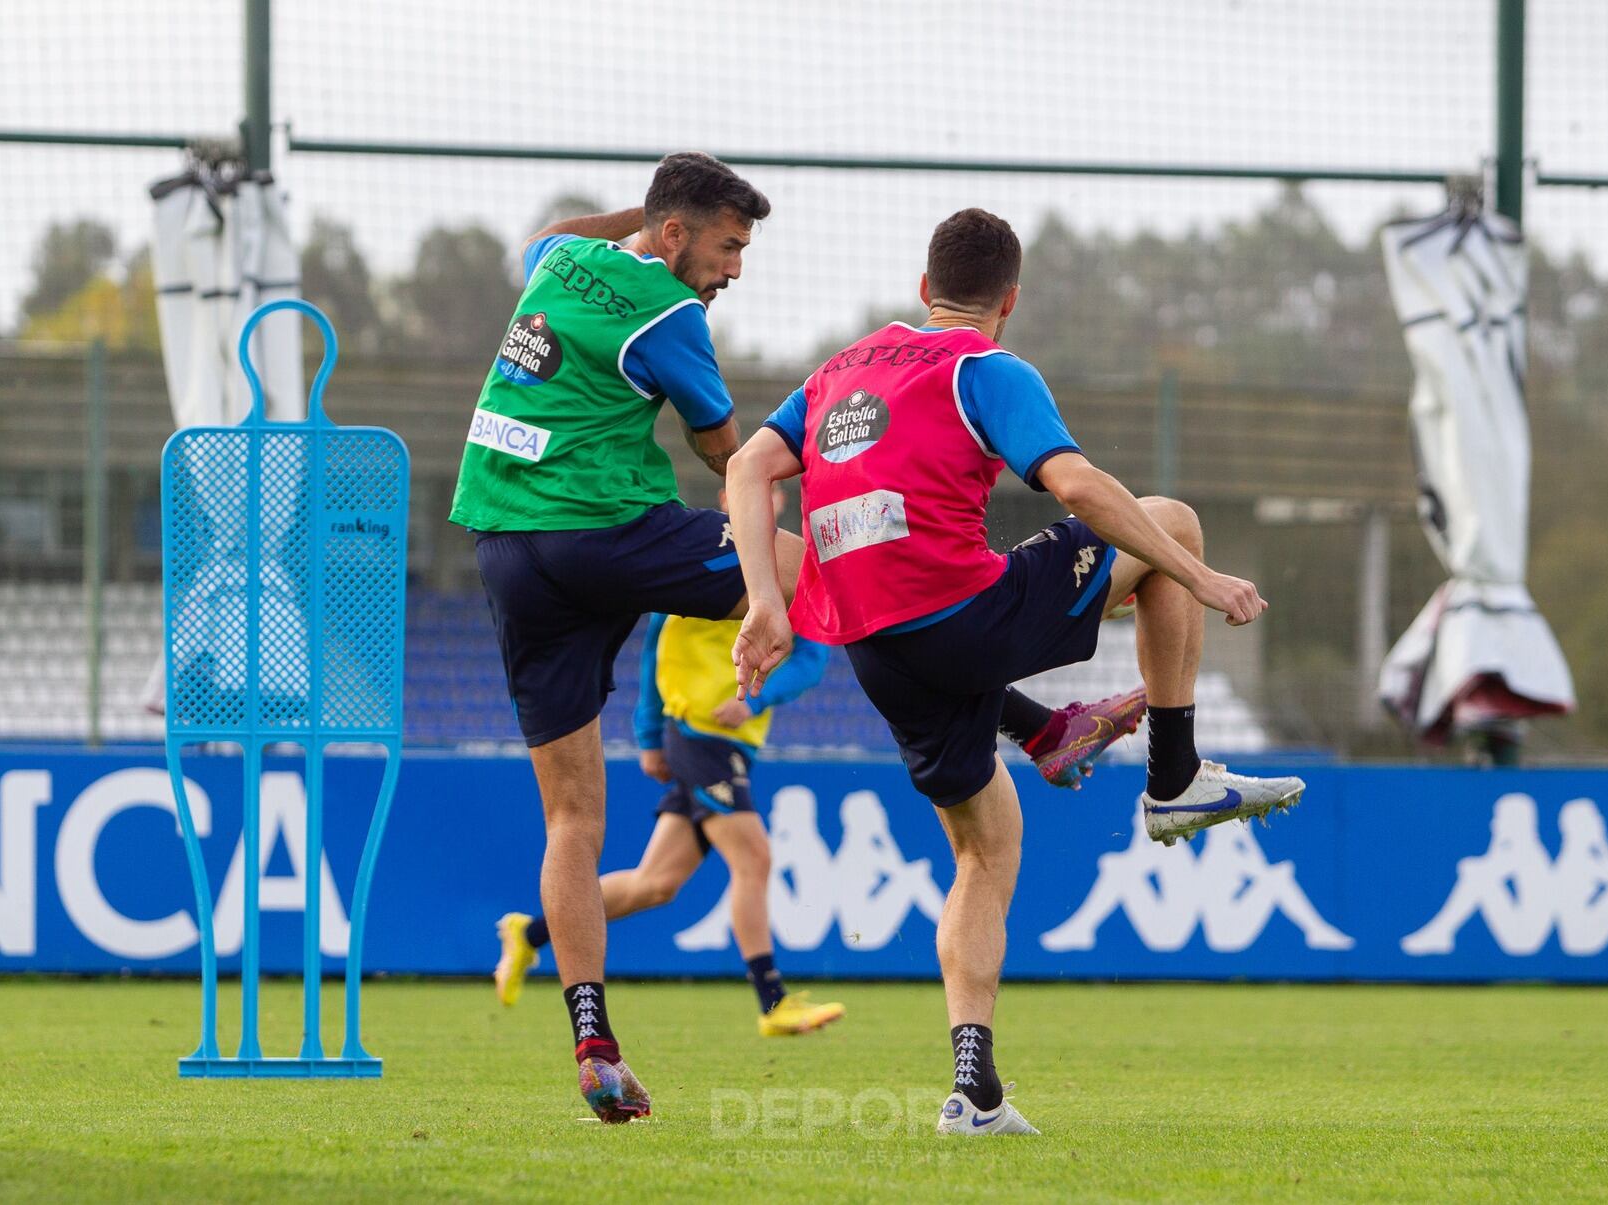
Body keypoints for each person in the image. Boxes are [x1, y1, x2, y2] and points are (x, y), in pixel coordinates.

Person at [453, 162, 1130, 1123]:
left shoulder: (556, 264)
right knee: (834, 566)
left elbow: (564, 227)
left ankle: (593, 1037)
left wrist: (641, 223)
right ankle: (1036, 724)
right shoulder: (672, 319)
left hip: (503, 545)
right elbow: (728, 453)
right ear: (679, 234)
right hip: (608, 530)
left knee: (571, 817)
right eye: (728, 245)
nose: (734, 270)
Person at [725, 207, 1308, 1135]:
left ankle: (976, 1089)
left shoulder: (839, 371)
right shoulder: (987, 367)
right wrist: (1201, 580)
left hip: (876, 648)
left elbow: (750, 466)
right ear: (1010, 301)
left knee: (985, 847)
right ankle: (1174, 776)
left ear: (923, 291)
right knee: (1175, 524)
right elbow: (1076, 485)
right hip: (963, 615)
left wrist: (765, 598)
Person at [493, 486, 849, 1038]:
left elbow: (812, 658)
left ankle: (529, 933)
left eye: (775, 489)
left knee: (655, 884)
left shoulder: (783, 568)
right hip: (697, 733)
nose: (765, 497)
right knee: (753, 858)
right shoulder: (695, 561)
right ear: (728, 496)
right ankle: (773, 1002)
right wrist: (651, 738)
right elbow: (657, 650)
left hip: (734, 739)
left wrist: (756, 697)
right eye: (756, 486)